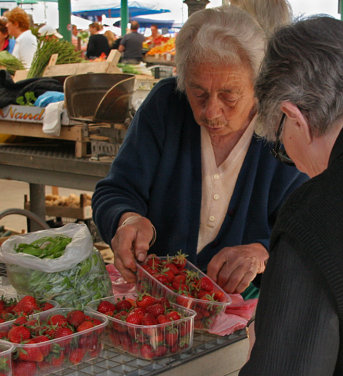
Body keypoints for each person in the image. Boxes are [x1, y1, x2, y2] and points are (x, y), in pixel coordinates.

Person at [92, 3, 307, 298]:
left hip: (247, 309)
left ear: (258, 85)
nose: (211, 111)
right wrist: (126, 219)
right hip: (159, 301)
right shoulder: (166, 105)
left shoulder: (283, 128)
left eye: (228, 95)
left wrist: (262, 251)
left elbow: (308, 229)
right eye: (198, 93)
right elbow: (115, 191)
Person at [239, 16, 343, 376]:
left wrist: (263, 345)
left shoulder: (318, 216)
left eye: (279, 143)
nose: (290, 160)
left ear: (294, 117)